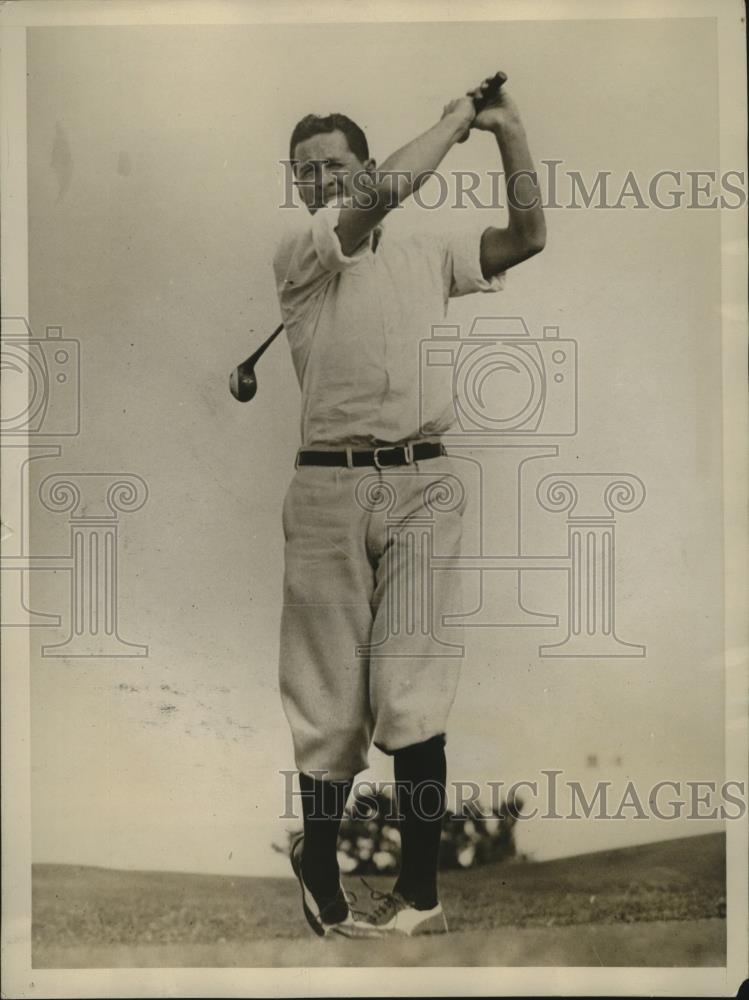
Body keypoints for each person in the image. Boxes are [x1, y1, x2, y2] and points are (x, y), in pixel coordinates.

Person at [272, 75, 546, 938]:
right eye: (305, 170)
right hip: (326, 486)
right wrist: (454, 118)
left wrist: (504, 130)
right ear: (297, 186)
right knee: (327, 702)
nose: (322, 181)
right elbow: (382, 193)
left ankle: (420, 894)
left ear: (360, 158)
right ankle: (318, 861)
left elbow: (528, 236)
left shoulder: (428, 249)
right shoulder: (304, 251)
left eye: (336, 163)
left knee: (413, 689)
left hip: (425, 478)